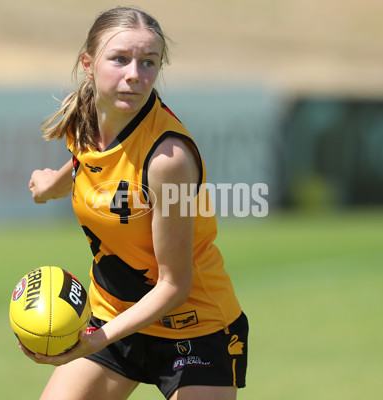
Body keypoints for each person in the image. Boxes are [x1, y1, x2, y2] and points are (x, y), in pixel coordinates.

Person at [24, 6, 248, 400]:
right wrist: (50, 186)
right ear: (88, 65)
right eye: (120, 59)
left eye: (148, 62)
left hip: (194, 327)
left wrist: (97, 339)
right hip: (115, 314)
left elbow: (175, 285)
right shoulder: (87, 117)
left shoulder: (168, 159)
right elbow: (90, 167)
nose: (134, 75)